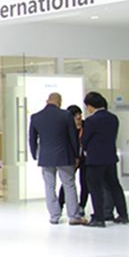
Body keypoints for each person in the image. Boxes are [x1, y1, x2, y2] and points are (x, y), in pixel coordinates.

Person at [29, 92, 85, 225]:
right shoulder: (66, 115)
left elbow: (32, 138)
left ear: (47, 101)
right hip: (64, 156)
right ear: (59, 102)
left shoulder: (36, 117)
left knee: (49, 186)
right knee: (69, 185)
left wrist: (34, 154)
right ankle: (73, 216)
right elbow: (73, 137)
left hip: (46, 157)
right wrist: (76, 155)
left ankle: (54, 216)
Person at [81, 91, 129, 227]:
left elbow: (84, 140)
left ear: (90, 106)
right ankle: (123, 215)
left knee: (95, 188)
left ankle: (99, 218)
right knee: (115, 186)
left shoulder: (91, 121)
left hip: (95, 159)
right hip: (110, 157)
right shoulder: (113, 118)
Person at [57, 105, 89, 216]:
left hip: (85, 158)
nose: (79, 118)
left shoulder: (86, 125)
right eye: (76, 116)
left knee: (85, 183)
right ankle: (60, 205)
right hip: (72, 158)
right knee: (67, 182)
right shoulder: (67, 126)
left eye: (80, 115)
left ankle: (81, 206)